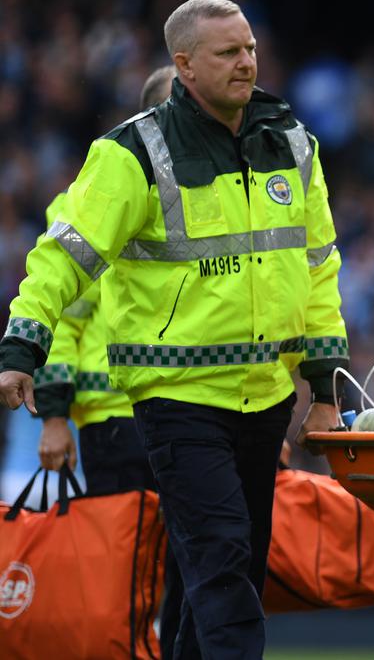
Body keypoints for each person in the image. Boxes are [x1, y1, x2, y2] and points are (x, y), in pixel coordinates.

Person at [0, 0, 349, 659]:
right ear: (183, 65)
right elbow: (62, 260)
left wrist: (324, 392)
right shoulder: (131, 154)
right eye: (228, 53)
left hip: (263, 396)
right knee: (219, 562)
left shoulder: (294, 144)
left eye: (249, 47)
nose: (246, 62)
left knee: (225, 572)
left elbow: (319, 271)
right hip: (175, 399)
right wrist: (25, 345)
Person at [32, 63, 183, 659]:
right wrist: (52, 416)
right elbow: (60, 324)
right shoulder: (87, 202)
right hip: (115, 422)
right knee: (124, 571)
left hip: (193, 410)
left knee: (191, 567)